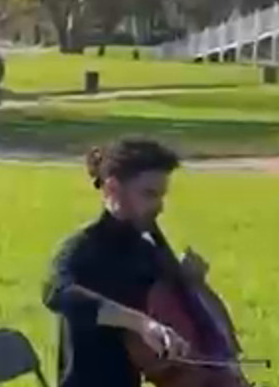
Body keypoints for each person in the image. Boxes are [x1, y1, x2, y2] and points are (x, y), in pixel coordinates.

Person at [42, 138, 193, 387]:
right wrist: (142, 324)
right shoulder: (81, 249)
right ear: (112, 189)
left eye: (161, 196)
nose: (159, 207)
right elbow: (57, 294)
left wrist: (187, 280)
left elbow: (172, 305)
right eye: (149, 194)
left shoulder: (145, 251)